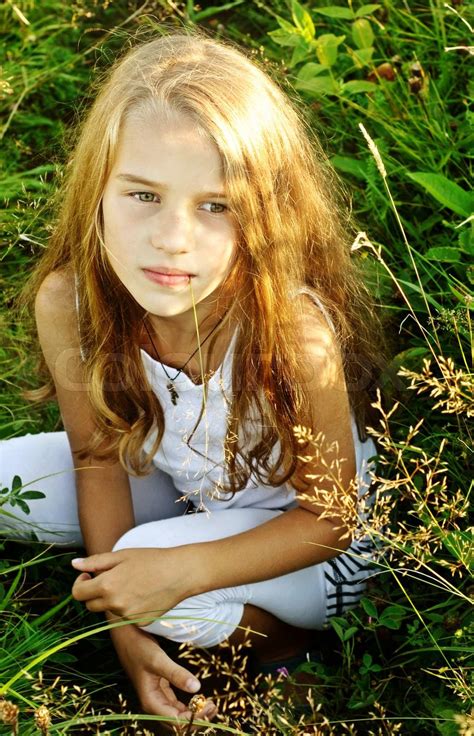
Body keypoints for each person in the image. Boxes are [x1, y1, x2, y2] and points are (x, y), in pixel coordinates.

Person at [1, 31, 385, 725]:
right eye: (143, 194)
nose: (172, 237)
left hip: (309, 545)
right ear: (97, 191)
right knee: (8, 484)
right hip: (183, 492)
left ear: (266, 213)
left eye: (216, 204)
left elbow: (335, 517)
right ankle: (164, 589)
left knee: (150, 561)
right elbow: (96, 458)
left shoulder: (291, 331)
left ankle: (287, 649)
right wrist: (122, 628)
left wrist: (174, 573)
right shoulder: (70, 302)